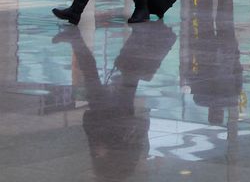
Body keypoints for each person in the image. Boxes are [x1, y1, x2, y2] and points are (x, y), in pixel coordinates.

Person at [52, 23, 176, 180]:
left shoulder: (118, 170)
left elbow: (125, 147)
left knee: (110, 76)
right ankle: (76, 37)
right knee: (101, 76)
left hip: (112, 117)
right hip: (110, 118)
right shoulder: (114, 171)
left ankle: (140, 35)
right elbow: (108, 149)